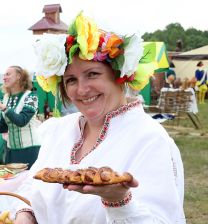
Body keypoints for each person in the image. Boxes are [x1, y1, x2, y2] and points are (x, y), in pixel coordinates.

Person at [14, 12, 185, 223]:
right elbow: (32, 184)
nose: (82, 89)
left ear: (120, 76)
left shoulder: (149, 139)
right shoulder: (59, 130)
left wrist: (120, 201)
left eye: (92, 74)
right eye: (71, 80)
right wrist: (25, 213)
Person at [0, 66, 41, 168]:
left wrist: (2, 107)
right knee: (11, 180)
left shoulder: (31, 96)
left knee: (27, 181)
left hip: (30, 149)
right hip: (11, 150)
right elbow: (4, 127)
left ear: (18, 76)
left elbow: (22, 121)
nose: (4, 78)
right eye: (4, 75)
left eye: (8, 74)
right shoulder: (5, 98)